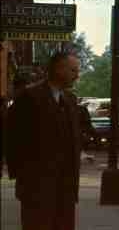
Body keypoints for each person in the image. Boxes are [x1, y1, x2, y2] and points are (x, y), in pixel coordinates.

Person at [6, 51, 81, 230]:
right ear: (58, 69)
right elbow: (13, 139)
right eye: (73, 70)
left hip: (66, 190)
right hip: (37, 189)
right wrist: (24, 179)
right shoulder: (29, 97)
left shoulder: (70, 99)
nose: (77, 75)